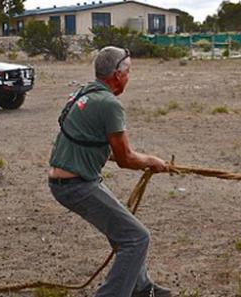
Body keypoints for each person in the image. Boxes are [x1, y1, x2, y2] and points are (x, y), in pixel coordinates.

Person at [47, 46, 173, 297]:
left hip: (70, 180)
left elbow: (106, 150)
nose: (129, 77)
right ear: (117, 75)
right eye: (128, 72)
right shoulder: (109, 104)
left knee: (125, 231)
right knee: (137, 237)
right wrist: (151, 161)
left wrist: (146, 161)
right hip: (76, 185)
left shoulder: (84, 93)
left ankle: (142, 288)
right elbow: (125, 158)